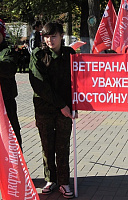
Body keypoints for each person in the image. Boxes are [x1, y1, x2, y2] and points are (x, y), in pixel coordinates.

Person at [29, 20, 77, 199]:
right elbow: (40, 85)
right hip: (45, 108)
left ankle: (64, 182)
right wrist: (62, 105)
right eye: (47, 36)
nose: (50, 40)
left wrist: (76, 105)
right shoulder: (38, 54)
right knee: (47, 145)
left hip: (65, 109)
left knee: (62, 146)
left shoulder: (69, 54)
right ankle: (50, 179)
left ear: (61, 36)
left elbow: (79, 80)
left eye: (53, 36)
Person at [0, 19, 22, 148]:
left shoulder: (8, 51)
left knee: (12, 138)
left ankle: (15, 167)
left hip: (6, 102)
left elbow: (9, 69)